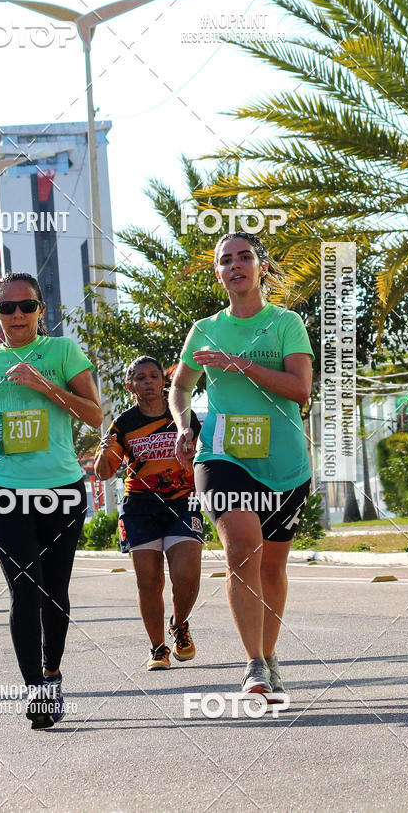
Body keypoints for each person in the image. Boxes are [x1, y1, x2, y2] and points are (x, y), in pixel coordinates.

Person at [0, 272, 102, 730]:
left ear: (41, 310)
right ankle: (35, 689)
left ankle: (52, 674)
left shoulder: (62, 352)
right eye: (7, 307)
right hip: (2, 488)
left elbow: (95, 415)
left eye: (27, 306)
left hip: (59, 488)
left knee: (54, 591)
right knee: (24, 586)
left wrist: (44, 386)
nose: (17, 315)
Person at [169, 232, 313, 697]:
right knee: (242, 549)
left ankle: (269, 657)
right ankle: (253, 664)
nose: (236, 266)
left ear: (260, 267)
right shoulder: (205, 328)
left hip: (285, 464)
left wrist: (240, 365)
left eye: (245, 257)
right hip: (222, 455)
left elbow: (299, 389)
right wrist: (183, 425)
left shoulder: (286, 323)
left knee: (271, 567)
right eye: (225, 260)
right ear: (218, 273)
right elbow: (180, 387)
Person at [95, 356, 203, 670]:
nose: (148, 382)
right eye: (140, 378)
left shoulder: (184, 416)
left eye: (154, 376)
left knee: (186, 576)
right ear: (131, 385)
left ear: (163, 381)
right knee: (149, 581)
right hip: (139, 505)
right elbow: (104, 472)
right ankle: (158, 649)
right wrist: (105, 451)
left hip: (183, 501)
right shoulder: (124, 424)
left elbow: (203, 454)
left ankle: (180, 624)